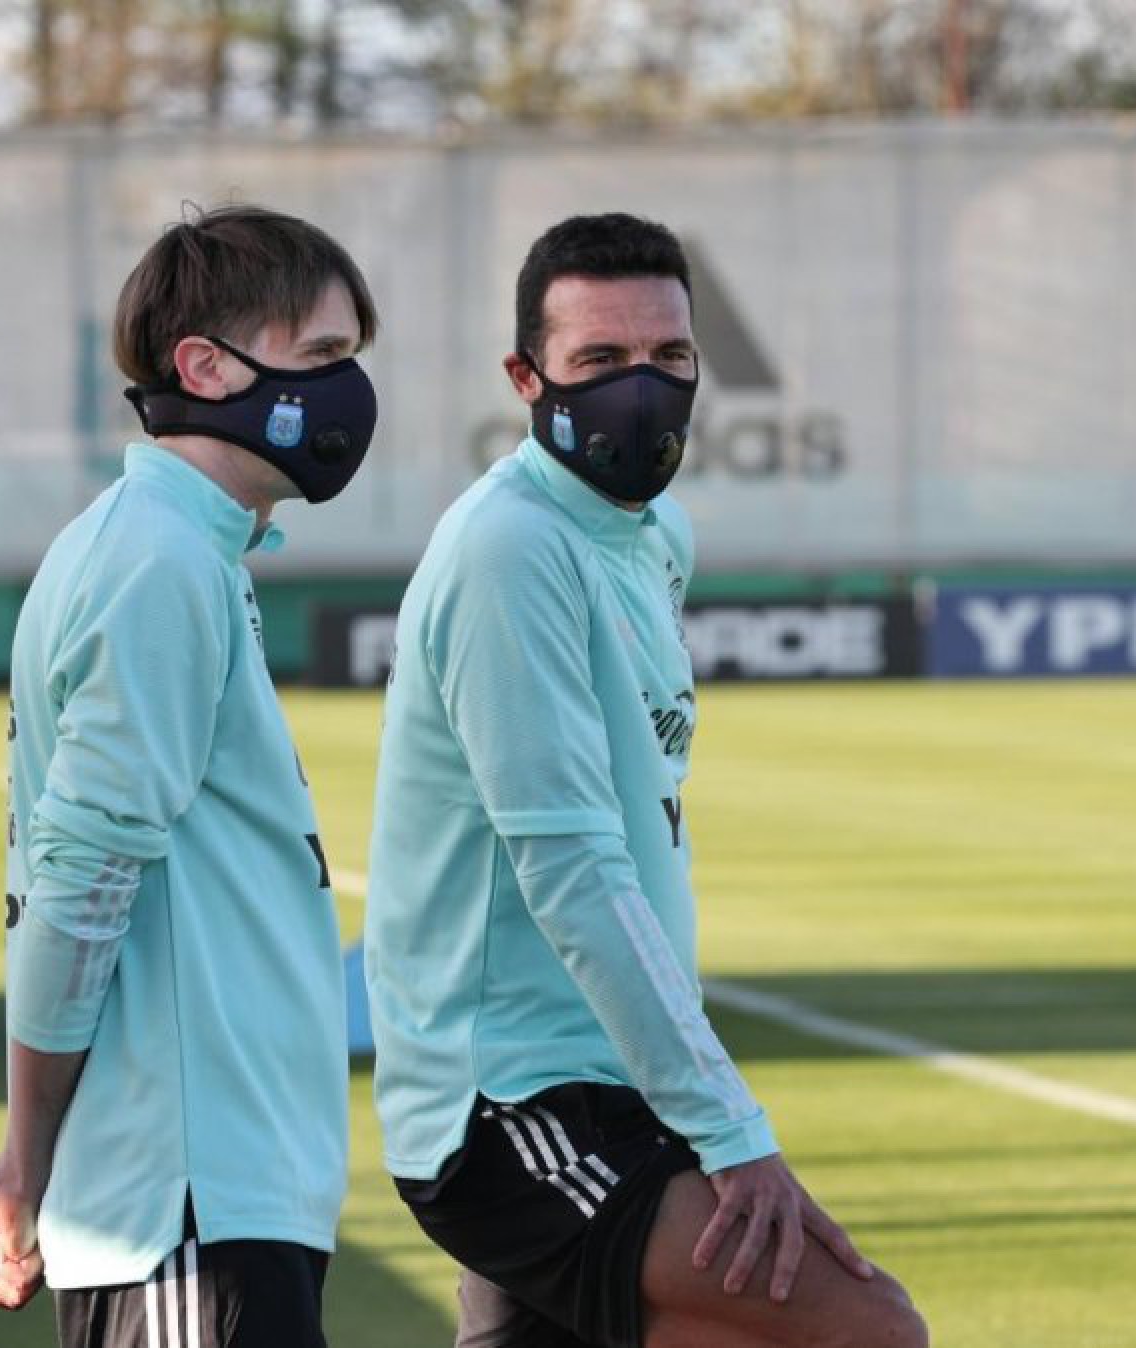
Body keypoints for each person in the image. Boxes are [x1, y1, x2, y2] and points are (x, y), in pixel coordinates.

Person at [364, 212, 927, 1348]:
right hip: (512, 1100)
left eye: (670, 359)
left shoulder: (656, 530)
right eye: (600, 362)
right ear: (526, 378)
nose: (642, 389)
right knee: (863, 1329)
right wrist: (732, 1131)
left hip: (610, 1078)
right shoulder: (508, 551)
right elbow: (573, 865)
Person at [0, 203, 380, 1346]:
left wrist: (31, 1147)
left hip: (216, 1189)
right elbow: (80, 881)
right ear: (206, 366)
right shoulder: (161, 560)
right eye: (324, 356)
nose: (350, 390)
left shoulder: (172, 548)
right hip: (190, 1199)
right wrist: (30, 1157)